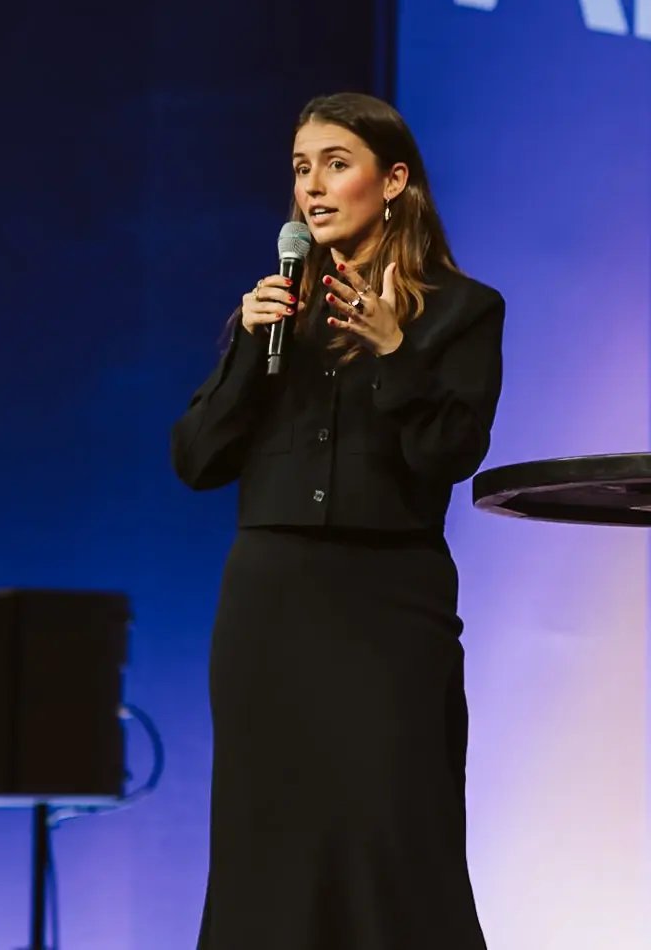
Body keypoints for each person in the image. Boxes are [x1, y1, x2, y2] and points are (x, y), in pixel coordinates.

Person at [173, 92, 503, 950]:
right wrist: (250, 347)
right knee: (266, 846)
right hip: (272, 608)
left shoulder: (464, 311)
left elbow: (450, 454)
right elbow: (197, 460)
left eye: (335, 164)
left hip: (389, 606)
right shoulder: (274, 311)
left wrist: (398, 353)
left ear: (393, 180)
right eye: (300, 168)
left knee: (397, 837)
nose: (312, 188)